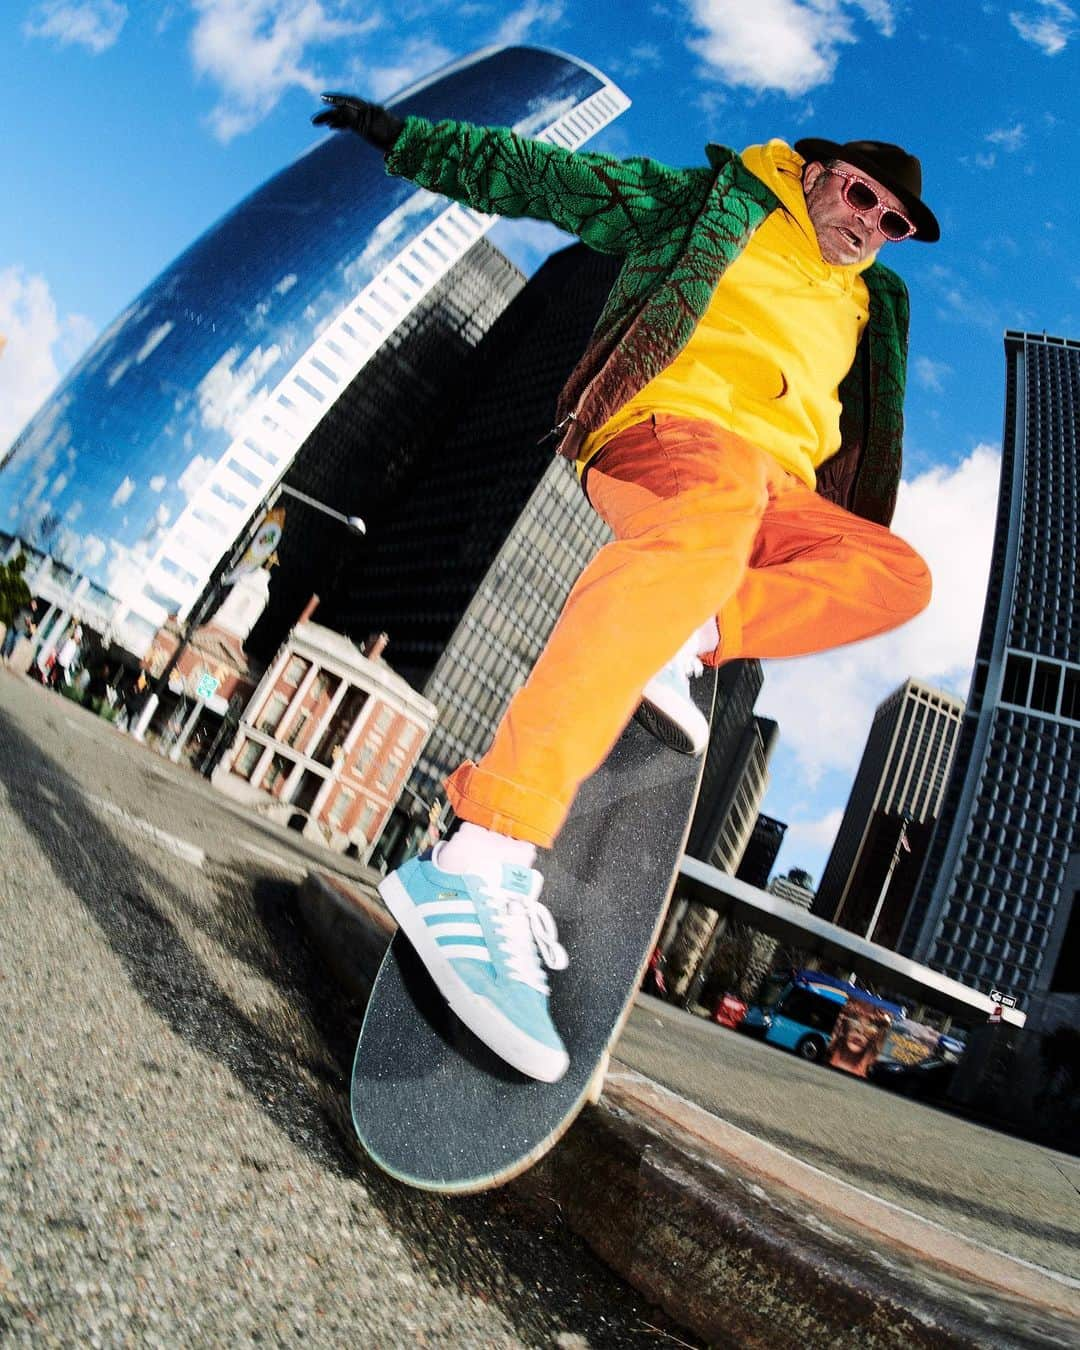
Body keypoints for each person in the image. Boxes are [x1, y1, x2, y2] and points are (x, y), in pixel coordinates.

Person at [312, 93, 939, 1082]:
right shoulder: (711, 204)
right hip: (669, 432)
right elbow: (557, 183)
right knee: (714, 511)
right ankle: (478, 858)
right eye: (863, 196)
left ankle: (684, 636)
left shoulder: (868, 310)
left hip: (777, 494)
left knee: (894, 575)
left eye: (893, 223)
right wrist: (413, 139)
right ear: (816, 172)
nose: (871, 224)